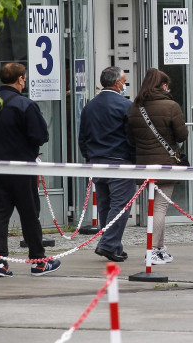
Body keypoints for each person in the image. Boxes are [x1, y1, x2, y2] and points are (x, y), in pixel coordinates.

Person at [0, 62, 61, 277]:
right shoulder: (25, 105)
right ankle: (38, 261)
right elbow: (40, 136)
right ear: (20, 79)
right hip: (22, 168)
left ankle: (0, 263)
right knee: (29, 214)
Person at [128, 68, 188, 264]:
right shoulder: (171, 106)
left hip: (144, 163)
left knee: (154, 206)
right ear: (163, 86)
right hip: (165, 162)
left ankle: (160, 249)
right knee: (161, 207)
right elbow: (182, 135)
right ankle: (153, 250)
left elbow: (131, 137)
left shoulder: (136, 107)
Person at [78, 66, 135, 262]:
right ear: (117, 83)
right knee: (120, 206)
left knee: (105, 205)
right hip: (119, 162)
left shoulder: (90, 106)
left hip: (96, 162)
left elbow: (82, 137)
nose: (125, 85)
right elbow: (131, 137)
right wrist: (133, 158)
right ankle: (109, 244)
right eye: (124, 81)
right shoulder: (125, 105)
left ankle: (113, 245)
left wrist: (89, 157)